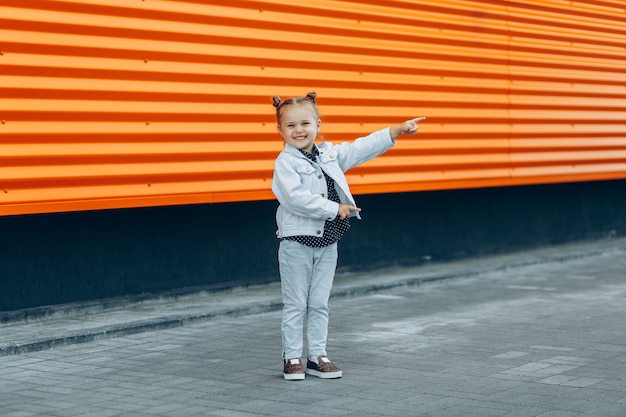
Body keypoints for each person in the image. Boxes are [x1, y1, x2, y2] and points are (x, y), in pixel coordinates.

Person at [271, 91, 425, 380]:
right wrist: (334, 208)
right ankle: (291, 357)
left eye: (305, 123)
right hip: (296, 243)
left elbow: (360, 148)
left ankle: (317, 355)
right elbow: (294, 198)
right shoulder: (285, 163)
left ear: (317, 124)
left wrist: (395, 131)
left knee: (319, 302)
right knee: (296, 303)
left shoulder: (329, 154)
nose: (299, 130)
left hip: (328, 241)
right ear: (280, 130)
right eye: (290, 126)